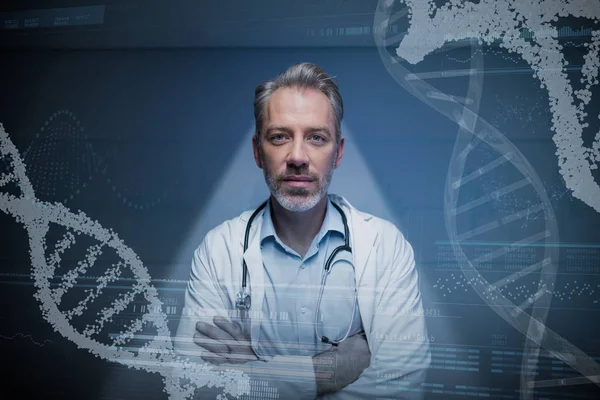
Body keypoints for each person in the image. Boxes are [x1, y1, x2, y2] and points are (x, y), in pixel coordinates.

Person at [174, 62, 431, 399]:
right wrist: (324, 372)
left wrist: (256, 370)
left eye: (316, 138)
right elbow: (194, 386)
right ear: (257, 152)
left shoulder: (386, 246)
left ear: (337, 153)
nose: (297, 156)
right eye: (280, 137)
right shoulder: (218, 249)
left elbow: (402, 386)